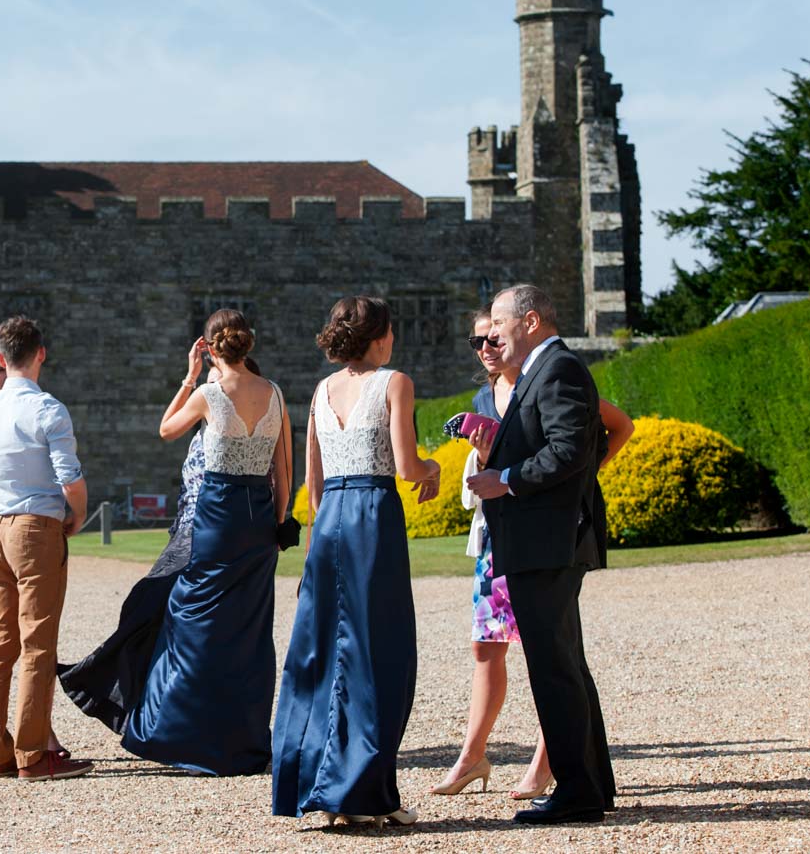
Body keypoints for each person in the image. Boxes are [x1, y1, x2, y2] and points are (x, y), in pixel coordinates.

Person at [432, 311, 634, 800]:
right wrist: (484, 460)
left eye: (492, 334)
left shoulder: (551, 374)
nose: (485, 344)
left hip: (543, 532)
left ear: (520, 328)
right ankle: (483, 757)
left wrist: (583, 480)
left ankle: (557, 771)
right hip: (500, 537)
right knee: (497, 647)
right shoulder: (486, 397)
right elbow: (496, 469)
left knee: (552, 656)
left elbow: (604, 431)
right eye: (476, 338)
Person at [271, 296, 439, 827]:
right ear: (381, 337)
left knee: (324, 653)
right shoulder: (395, 382)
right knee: (377, 654)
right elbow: (408, 466)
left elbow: (312, 485)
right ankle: (364, 794)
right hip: (372, 516)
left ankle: (328, 788)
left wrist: (325, 533)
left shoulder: (321, 390)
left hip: (331, 522)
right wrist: (434, 468)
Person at [465, 284, 616, 826]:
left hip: (547, 541)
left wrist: (504, 479)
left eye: (499, 326)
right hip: (540, 540)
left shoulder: (558, 369)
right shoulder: (540, 371)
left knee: (554, 669)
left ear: (529, 321)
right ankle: (592, 782)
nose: (491, 336)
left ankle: (576, 792)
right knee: (565, 663)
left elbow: (572, 449)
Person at [120, 312, 290, 775]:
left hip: (218, 518)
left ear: (212, 349)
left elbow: (166, 430)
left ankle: (184, 734)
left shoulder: (208, 393)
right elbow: (284, 471)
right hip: (259, 522)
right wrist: (279, 527)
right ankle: (245, 738)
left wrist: (189, 376)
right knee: (249, 630)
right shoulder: (274, 392)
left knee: (192, 619)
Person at [57, 357, 263, 733]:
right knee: (145, 609)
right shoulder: (205, 422)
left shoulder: (232, 429)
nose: (210, 388)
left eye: (216, 381)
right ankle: (123, 695)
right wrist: (190, 378)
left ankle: (105, 688)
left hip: (203, 533)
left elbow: (167, 430)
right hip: (184, 531)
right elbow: (166, 427)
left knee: (155, 611)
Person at [0, 316, 93, 782]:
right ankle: (33, 754)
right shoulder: (48, 410)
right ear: (41, 354)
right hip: (36, 526)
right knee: (38, 644)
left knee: (1, 644)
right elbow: (70, 478)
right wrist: (76, 514)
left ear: (2, 358)